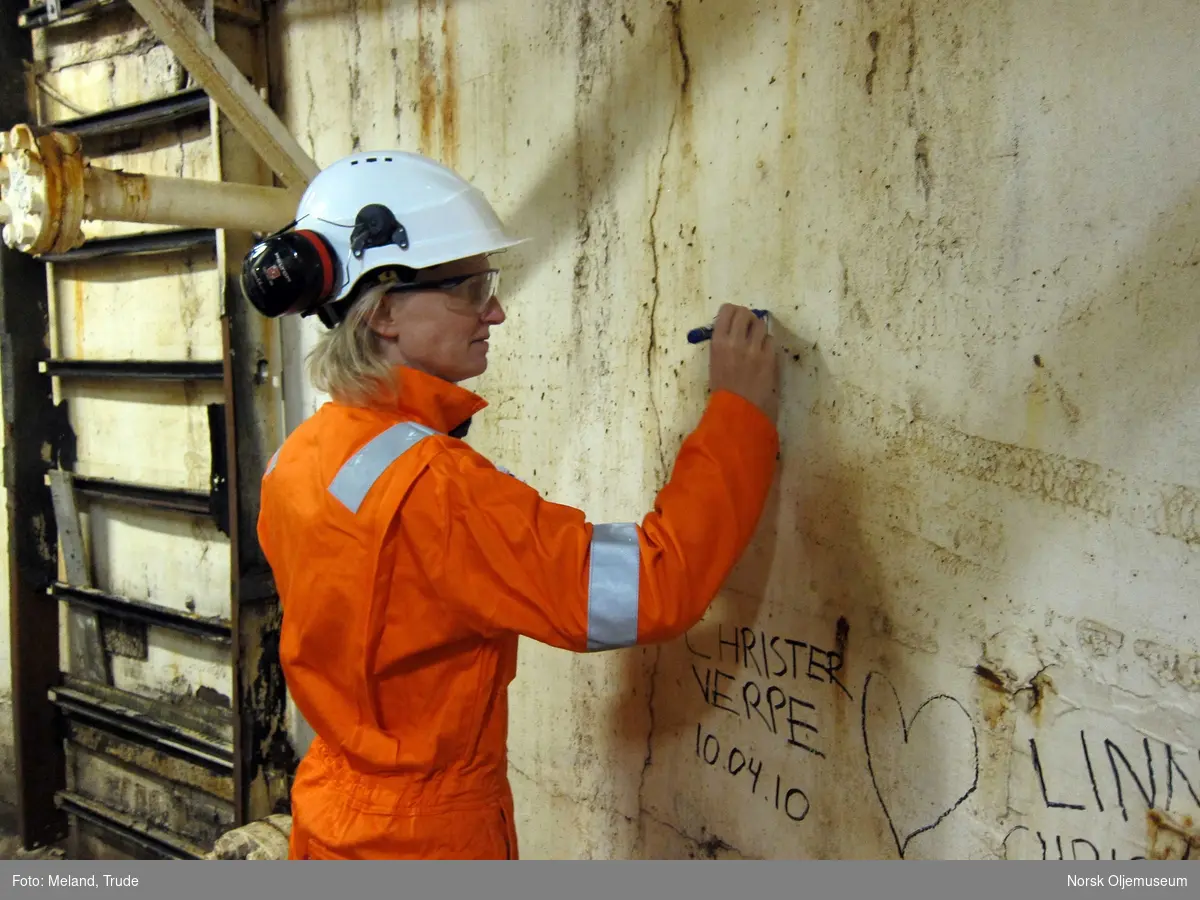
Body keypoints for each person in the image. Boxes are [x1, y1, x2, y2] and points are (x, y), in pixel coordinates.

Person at [243, 149, 781, 860]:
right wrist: (738, 413)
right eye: (466, 287)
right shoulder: (433, 487)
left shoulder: (301, 456)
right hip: (427, 840)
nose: (493, 309)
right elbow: (652, 587)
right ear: (383, 314)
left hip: (331, 819)